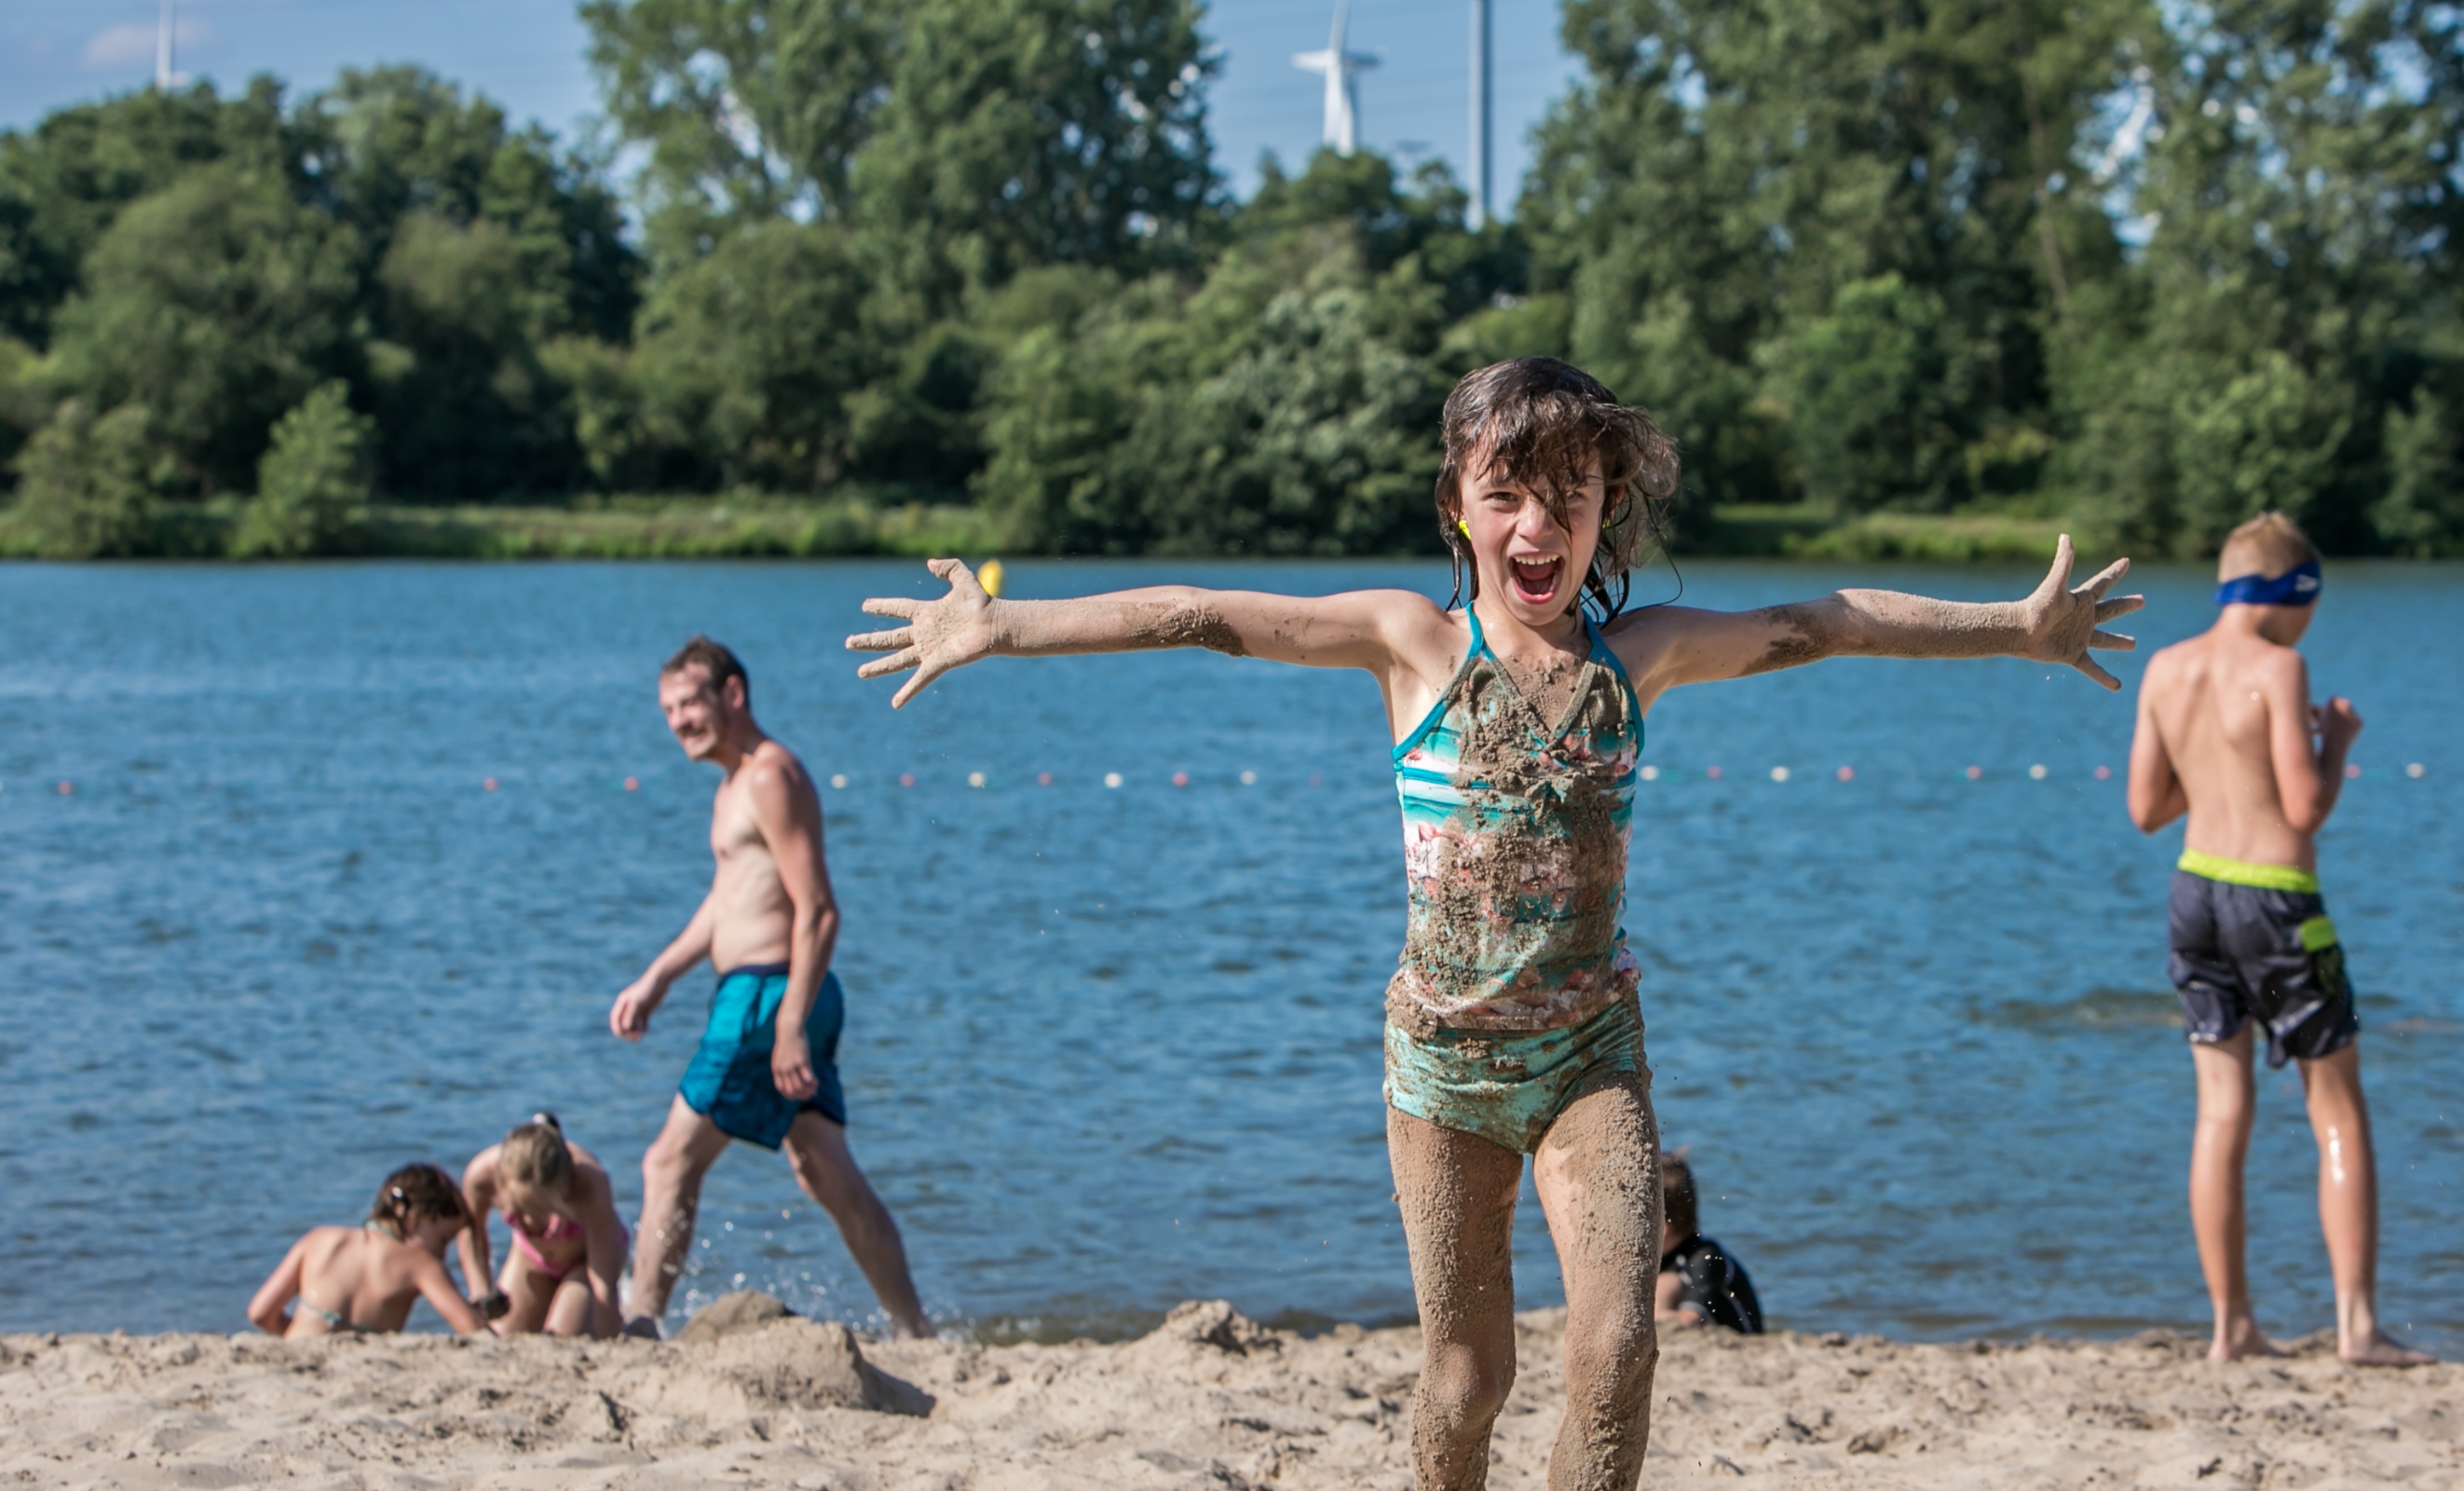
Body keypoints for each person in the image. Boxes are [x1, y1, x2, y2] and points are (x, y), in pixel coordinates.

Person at [844, 357, 2140, 1491]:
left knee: (1620, 1347)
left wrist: (2017, 628)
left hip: (1590, 1057)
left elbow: (1827, 622)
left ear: (1604, 511)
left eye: (1569, 492)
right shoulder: (1413, 644)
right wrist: (1001, 623)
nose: (1538, 521)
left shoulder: (1642, 660)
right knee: (1466, 1386)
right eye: (1507, 492)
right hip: (1445, 1072)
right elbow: (1202, 613)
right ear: (1457, 507)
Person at [2125, 512, 2430, 1367]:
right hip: (2277, 902)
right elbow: (2304, 810)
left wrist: (2215, 764)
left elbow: (2147, 811)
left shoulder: (2167, 667)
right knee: (2336, 1109)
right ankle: (2359, 1329)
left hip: (2194, 896)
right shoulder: (2281, 668)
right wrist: (2334, 744)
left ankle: (2231, 1328)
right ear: (2294, 598)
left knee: (2221, 1113)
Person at [608, 636, 932, 1340]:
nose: (678, 722)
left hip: (769, 996)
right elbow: (728, 903)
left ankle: (640, 1324)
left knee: (668, 1160)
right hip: (770, 992)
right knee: (821, 1167)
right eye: (667, 709)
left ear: (733, 695)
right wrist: (657, 977)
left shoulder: (770, 776)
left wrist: (788, 1021)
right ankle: (916, 1333)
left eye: (690, 703)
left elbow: (817, 907)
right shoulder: (733, 787)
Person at [247, 1163, 489, 1338]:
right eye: (443, 1239)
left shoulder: (318, 1240)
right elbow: (472, 1328)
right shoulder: (420, 1263)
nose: (443, 1254)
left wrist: (300, 1337)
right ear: (414, 1219)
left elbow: (260, 1313)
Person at [456, 1113, 633, 1337]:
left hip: (587, 1264)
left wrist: (611, 1338)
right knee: (501, 1338)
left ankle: (638, 1328)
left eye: (540, 1209)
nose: (529, 1220)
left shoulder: (590, 1182)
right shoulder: (480, 1177)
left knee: (560, 1338)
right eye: (519, 1210)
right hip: (531, 1260)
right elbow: (471, 1235)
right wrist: (482, 1292)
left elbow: (603, 1284)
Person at [1654, 1149, 1763, 1333]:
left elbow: (1691, 1318)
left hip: (1741, 1340)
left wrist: (1652, 1317)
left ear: (1664, 1227)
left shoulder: (1706, 1257)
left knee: (1666, 1284)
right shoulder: (1665, 1256)